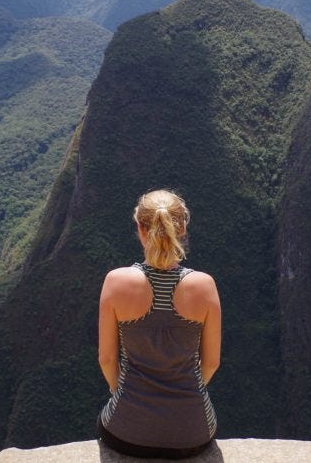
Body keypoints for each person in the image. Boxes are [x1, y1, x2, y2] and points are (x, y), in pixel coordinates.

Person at [97, 189, 221, 459]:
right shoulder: (204, 286)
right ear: (182, 228)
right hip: (193, 434)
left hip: (126, 432)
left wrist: (120, 392)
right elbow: (211, 363)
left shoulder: (116, 282)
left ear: (141, 229)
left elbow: (107, 359)